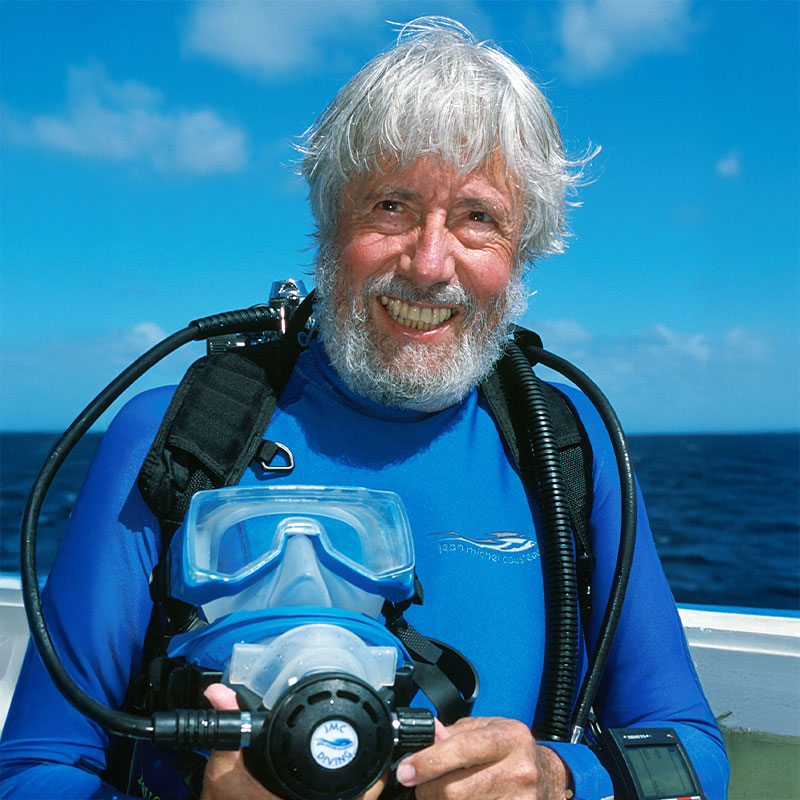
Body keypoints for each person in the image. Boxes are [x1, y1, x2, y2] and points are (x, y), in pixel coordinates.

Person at [0, 17, 729, 800]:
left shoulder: (563, 446)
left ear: (523, 251)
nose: (427, 262)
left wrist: (560, 777)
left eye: (478, 217)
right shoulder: (177, 437)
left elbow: (694, 756)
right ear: (329, 222)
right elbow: (35, 770)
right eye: (390, 206)